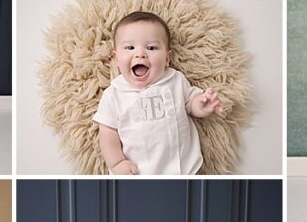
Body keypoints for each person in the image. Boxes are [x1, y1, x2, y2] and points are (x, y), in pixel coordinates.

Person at [93, 11, 221, 175]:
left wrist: (201, 105)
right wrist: (117, 162)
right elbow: (107, 132)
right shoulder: (114, 94)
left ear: (167, 58)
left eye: (151, 47)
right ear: (116, 59)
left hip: (183, 167)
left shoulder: (175, 80)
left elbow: (190, 103)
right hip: (137, 171)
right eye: (130, 47)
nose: (140, 53)